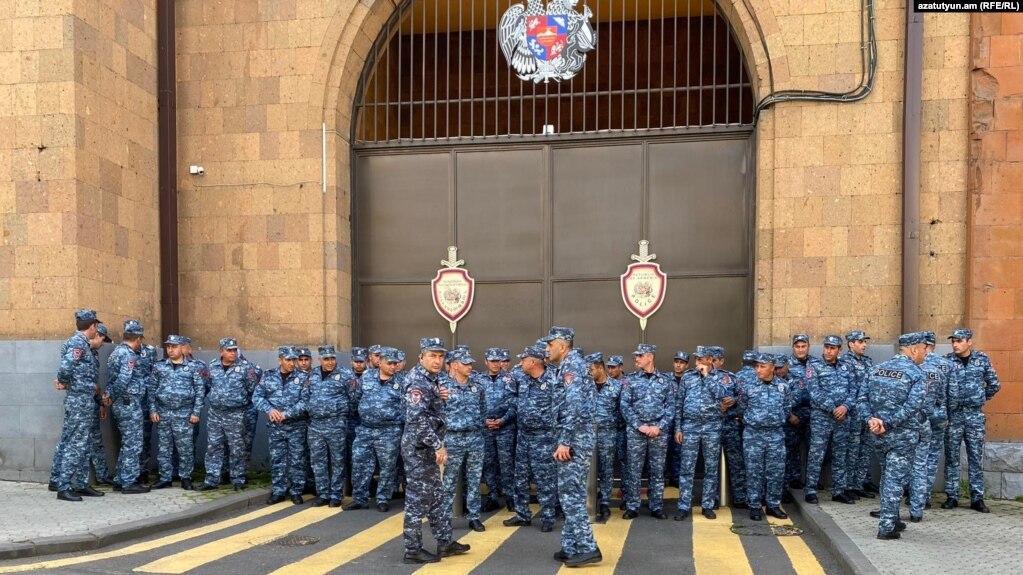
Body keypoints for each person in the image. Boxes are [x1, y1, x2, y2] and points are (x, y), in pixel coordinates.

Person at [401, 337, 470, 565]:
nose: (438, 360)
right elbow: (417, 419)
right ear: (421, 356)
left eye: (441, 356)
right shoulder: (418, 382)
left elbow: (428, 410)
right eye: (432, 355)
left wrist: (438, 397)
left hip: (427, 448)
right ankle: (412, 550)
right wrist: (438, 444)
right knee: (417, 500)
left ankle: (445, 542)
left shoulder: (432, 380)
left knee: (437, 498)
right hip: (418, 449)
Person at [857, 332, 928, 540]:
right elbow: (913, 407)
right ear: (914, 349)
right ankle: (886, 527)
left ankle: (894, 517)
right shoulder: (916, 374)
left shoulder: (876, 369)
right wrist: (887, 424)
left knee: (888, 475)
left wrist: (871, 420)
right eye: (924, 348)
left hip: (877, 435)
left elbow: (861, 399)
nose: (925, 353)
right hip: (901, 436)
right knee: (895, 479)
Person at [546, 327, 601, 567]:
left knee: (570, 495)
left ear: (562, 346)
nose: (547, 349)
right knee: (571, 493)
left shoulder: (572, 366)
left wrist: (565, 440)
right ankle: (571, 547)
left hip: (575, 439)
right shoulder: (569, 365)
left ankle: (588, 548)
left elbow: (574, 405)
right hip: (576, 436)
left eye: (550, 344)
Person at [943, 328, 1000, 512]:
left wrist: (981, 398)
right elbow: (940, 387)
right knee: (952, 458)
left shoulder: (981, 360)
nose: (955, 344)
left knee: (976, 457)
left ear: (969, 342)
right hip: (954, 416)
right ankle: (952, 496)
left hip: (974, 416)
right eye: (953, 341)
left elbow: (994, 384)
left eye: (959, 341)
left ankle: (977, 498)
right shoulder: (947, 361)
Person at [505, 345, 559, 531]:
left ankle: (548, 517)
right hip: (523, 435)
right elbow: (511, 397)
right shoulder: (522, 378)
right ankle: (522, 514)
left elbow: (562, 406)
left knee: (545, 479)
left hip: (544, 437)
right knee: (520, 477)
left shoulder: (553, 379)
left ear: (534, 362)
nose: (520, 363)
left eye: (524, 360)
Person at [51, 310, 103, 501]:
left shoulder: (84, 345)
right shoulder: (77, 343)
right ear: (92, 326)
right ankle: (64, 486)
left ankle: (81, 484)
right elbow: (65, 368)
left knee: (84, 443)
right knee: (76, 443)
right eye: (96, 327)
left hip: (85, 399)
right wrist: (64, 381)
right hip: (78, 400)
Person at [197, 338, 260, 491]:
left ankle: (238, 478)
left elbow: (254, 389)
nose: (233, 353)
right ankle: (212, 478)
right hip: (216, 413)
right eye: (229, 350)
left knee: (237, 447)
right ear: (221, 351)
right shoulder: (212, 366)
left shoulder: (246, 368)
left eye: (234, 350)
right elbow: (206, 386)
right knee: (213, 446)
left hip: (236, 413)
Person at [347, 348, 405, 511]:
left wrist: (393, 417)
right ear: (380, 362)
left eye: (395, 363)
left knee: (387, 466)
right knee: (359, 463)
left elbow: (407, 407)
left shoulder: (402, 381)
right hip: (365, 429)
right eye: (389, 363)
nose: (393, 366)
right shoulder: (367, 377)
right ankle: (360, 498)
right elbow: (356, 398)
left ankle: (382, 498)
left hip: (389, 431)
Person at [621, 343, 674, 520]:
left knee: (657, 471)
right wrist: (639, 425)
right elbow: (624, 405)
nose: (636, 359)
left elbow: (671, 407)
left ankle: (656, 506)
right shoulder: (630, 379)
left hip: (658, 432)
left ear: (650, 357)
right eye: (636, 356)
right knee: (633, 470)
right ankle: (632, 506)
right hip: (637, 431)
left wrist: (659, 426)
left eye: (640, 356)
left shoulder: (666, 381)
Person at [674, 347, 727, 520]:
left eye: (701, 359)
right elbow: (679, 403)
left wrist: (707, 376)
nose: (698, 363)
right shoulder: (688, 377)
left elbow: (721, 395)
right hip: (690, 426)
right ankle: (683, 506)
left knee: (711, 468)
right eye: (696, 359)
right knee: (687, 468)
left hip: (712, 427)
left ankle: (707, 505)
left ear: (710, 360)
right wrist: (678, 428)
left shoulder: (720, 377)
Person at [738, 353, 792, 521]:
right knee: (754, 471)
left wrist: (777, 420)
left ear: (772, 367)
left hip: (776, 434)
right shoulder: (748, 387)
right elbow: (741, 408)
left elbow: (787, 408)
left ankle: (773, 505)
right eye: (757, 366)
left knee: (775, 471)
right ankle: (754, 506)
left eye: (762, 366)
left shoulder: (783, 387)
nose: (758, 370)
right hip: (754, 434)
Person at [254, 346, 310, 505]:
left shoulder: (304, 377)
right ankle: (278, 491)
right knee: (277, 459)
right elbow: (257, 397)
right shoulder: (268, 376)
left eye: (294, 360)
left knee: (297, 459)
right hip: (275, 427)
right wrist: (269, 410)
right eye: (288, 360)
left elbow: (305, 402)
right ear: (280, 360)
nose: (292, 363)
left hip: (296, 426)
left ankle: (296, 491)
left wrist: (286, 414)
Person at [803, 335, 855, 505]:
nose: (829, 351)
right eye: (826, 347)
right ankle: (810, 489)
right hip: (822, 418)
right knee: (816, 454)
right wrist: (833, 408)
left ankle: (839, 490)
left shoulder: (847, 367)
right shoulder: (814, 366)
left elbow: (854, 389)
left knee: (840, 454)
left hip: (842, 418)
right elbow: (813, 391)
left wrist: (845, 406)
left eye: (833, 348)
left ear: (840, 350)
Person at [150, 335, 205, 490]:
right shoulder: (159, 367)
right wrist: (153, 410)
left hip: (185, 413)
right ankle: (165, 477)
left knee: (185, 447)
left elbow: (200, 392)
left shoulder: (193, 367)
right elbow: (152, 389)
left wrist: (196, 413)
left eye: (174, 347)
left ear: (182, 348)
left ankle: (185, 477)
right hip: (164, 412)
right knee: (164, 448)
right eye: (168, 347)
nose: (170, 350)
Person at [441, 349, 487, 532]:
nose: (470, 366)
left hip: (475, 437)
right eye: (465, 363)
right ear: (453, 364)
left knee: (474, 479)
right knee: (449, 480)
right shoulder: (442, 386)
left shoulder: (477, 385)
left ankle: (474, 516)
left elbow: (483, 409)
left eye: (470, 363)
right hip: (452, 438)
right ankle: (443, 517)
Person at [106, 319, 150, 494]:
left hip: (121, 403)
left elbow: (111, 379)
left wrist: (111, 396)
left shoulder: (116, 353)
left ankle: (120, 479)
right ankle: (129, 482)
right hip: (128, 402)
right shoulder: (129, 355)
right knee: (133, 443)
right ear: (138, 339)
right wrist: (116, 395)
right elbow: (123, 380)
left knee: (127, 442)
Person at [305, 345, 350, 507]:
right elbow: (306, 396)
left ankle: (336, 494)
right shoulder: (313, 375)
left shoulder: (345, 375)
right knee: (318, 461)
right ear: (320, 359)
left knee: (337, 461)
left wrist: (342, 415)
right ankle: (323, 493)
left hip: (336, 425)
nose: (330, 362)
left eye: (332, 358)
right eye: (326, 359)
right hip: (316, 426)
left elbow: (355, 398)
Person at [840, 331, 877, 498]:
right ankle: (848, 485)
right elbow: (847, 388)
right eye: (860, 342)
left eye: (865, 342)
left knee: (866, 448)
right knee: (852, 449)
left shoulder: (868, 362)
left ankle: (859, 483)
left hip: (867, 412)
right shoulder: (844, 362)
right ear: (851, 344)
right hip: (853, 413)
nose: (864, 345)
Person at [481, 348, 517, 513]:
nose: (496, 364)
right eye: (493, 361)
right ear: (486, 361)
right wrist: (484, 421)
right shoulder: (478, 380)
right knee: (489, 463)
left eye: (498, 361)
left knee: (506, 463)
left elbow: (514, 404)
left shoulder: (510, 379)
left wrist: (503, 421)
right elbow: (475, 404)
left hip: (505, 428)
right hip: (486, 428)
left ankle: (510, 496)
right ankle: (492, 496)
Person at [587, 352, 620, 522]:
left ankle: (605, 502)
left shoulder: (616, 386)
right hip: (587, 434)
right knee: (586, 470)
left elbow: (622, 411)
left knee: (607, 469)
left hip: (608, 433)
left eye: (591, 369)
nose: (589, 372)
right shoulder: (585, 386)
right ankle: (587, 502)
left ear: (601, 368)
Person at [785, 335, 815, 490]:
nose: (801, 349)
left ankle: (812, 480)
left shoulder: (816, 363)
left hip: (813, 411)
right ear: (793, 348)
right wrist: (788, 414)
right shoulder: (786, 365)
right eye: (798, 346)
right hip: (794, 412)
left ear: (808, 347)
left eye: (804, 346)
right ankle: (794, 478)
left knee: (814, 447)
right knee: (792, 447)